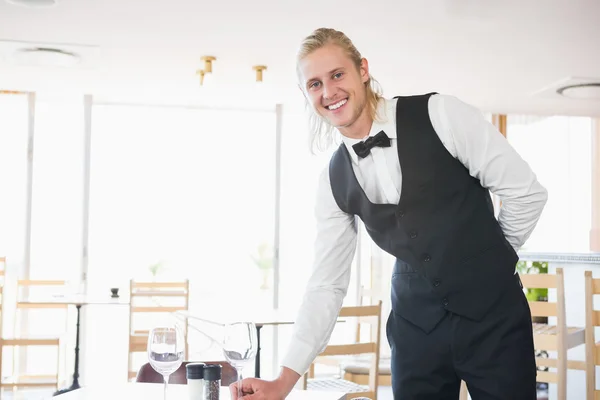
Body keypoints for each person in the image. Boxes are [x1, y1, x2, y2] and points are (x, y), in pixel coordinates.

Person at [230, 27, 547, 400]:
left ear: (362, 70)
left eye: (337, 75)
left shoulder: (441, 114)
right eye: (314, 84)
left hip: (495, 322)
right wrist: (283, 381)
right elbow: (326, 284)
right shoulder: (332, 181)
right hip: (416, 334)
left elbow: (527, 194)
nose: (329, 92)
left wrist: (487, 262)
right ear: (306, 94)